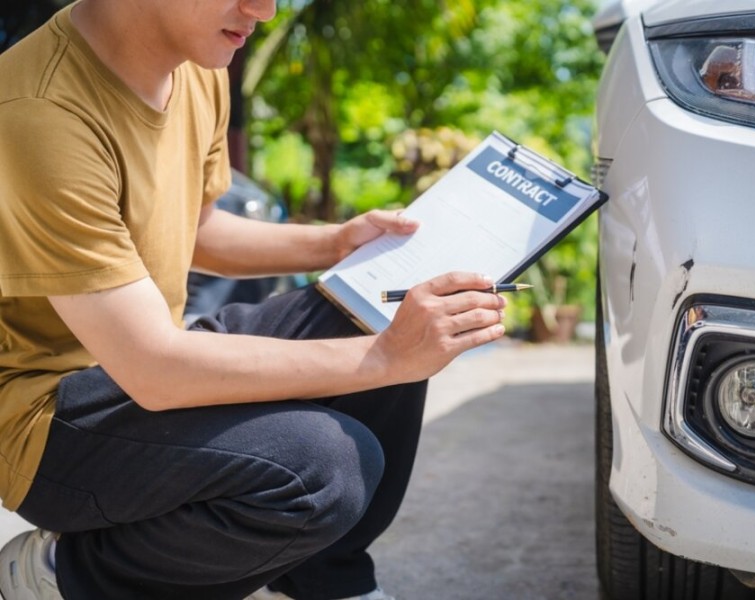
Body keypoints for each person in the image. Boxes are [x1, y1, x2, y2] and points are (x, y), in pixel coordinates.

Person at [0, 0, 508, 599]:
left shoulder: (197, 63)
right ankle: (66, 577)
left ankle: (323, 581)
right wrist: (388, 358)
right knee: (322, 468)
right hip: (47, 421)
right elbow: (155, 371)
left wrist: (337, 242)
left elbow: (200, 229)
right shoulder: (39, 113)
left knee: (375, 306)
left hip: (143, 363)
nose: (263, 10)